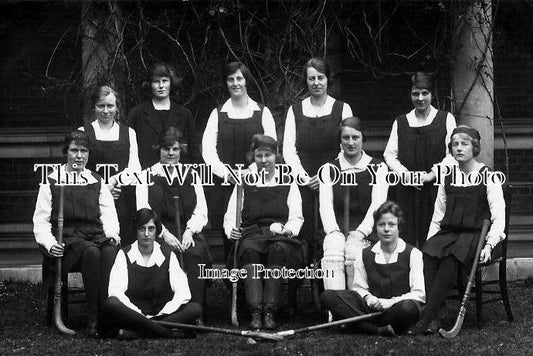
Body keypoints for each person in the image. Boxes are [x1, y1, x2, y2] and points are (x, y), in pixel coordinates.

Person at [408, 125, 506, 335]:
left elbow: (499, 218)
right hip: (450, 233)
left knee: (452, 258)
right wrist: (431, 243)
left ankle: (424, 319)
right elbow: (438, 216)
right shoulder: (448, 178)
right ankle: (434, 318)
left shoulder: (489, 176)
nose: (459, 148)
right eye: (455, 144)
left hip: (477, 236)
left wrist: (489, 245)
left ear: (475, 147)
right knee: (429, 254)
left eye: (464, 143)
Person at [33, 130, 120, 337]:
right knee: (92, 252)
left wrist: (112, 235)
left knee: (109, 251)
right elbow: (41, 220)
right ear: (66, 153)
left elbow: (108, 214)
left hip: (95, 235)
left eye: (83, 151)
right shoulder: (52, 181)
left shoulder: (96, 180)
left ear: (88, 154)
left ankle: (108, 315)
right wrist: (49, 243)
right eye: (74, 151)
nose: (79, 156)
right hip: (68, 240)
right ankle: (93, 318)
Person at [223, 134, 304, 330]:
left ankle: (270, 310)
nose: (264, 160)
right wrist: (230, 230)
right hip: (252, 233)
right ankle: (255, 311)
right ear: (253, 157)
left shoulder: (287, 180)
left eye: (268, 155)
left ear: (276, 155)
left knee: (277, 250)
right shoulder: (244, 181)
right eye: (259, 155)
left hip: (280, 236)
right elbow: (232, 212)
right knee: (249, 250)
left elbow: (297, 216)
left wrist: (288, 230)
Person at [202, 61, 277, 261]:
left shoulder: (262, 112)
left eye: (239, 78)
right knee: (230, 232)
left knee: (256, 230)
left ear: (246, 80)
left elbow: (271, 146)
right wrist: (228, 174)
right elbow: (208, 150)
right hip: (227, 184)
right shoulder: (218, 114)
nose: (235, 83)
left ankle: (254, 282)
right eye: (230, 79)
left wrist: (251, 171)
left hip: (257, 182)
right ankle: (232, 279)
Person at [283, 57, 353, 265]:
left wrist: (325, 176)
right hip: (303, 182)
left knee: (329, 231)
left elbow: (347, 147)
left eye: (320, 77)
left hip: (333, 181)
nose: (316, 83)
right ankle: (303, 281)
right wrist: (303, 177)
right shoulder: (295, 111)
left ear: (327, 79)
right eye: (311, 78)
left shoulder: (342, 109)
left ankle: (329, 285)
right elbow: (288, 149)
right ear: (306, 81)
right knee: (303, 232)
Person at [136, 127, 211, 319]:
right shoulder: (146, 176)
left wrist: (189, 232)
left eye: (175, 149)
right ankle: (168, 310)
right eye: (166, 149)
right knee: (168, 254)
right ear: (158, 150)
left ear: (181, 151)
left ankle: (195, 311)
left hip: (187, 233)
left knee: (194, 253)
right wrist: (164, 234)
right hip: (157, 235)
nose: (170, 153)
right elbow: (144, 212)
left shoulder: (192, 174)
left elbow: (201, 211)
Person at [321, 201, 425, 336]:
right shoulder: (364, 254)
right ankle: (376, 330)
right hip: (370, 309)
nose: (386, 229)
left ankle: (355, 324)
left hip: (396, 308)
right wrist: (369, 298)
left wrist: (391, 302)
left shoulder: (413, 253)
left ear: (399, 228)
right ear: (376, 227)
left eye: (391, 225)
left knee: (408, 308)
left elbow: (419, 294)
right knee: (328, 296)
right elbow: (358, 287)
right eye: (381, 224)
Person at [101, 208, 202, 339]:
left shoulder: (168, 255)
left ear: (157, 231)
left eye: (151, 229)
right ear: (135, 231)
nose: (147, 234)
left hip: (163, 314)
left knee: (195, 308)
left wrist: (161, 314)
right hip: (132, 315)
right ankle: (168, 333)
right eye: (142, 229)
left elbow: (183, 293)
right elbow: (116, 293)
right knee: (112, 303)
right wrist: (140, 316)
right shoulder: (124, 254)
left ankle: (139, 332)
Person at [384, 72, 456, 249]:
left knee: (432, 236)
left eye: (425, 93)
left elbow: (453, 154)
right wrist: (407, 176)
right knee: (405, 237)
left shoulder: (445, 119)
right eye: (415, 94)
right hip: (406, 191)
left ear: (431, 94)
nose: (420, 98)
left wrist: (432, 175)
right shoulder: (401, 122)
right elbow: (389, 154)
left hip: (435, 189)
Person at [319, 117, 388, 291]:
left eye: (355, 137)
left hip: (367, 228)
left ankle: (354, 310)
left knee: (354, 252)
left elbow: (377, 205)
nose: (350, 143)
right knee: (333, 250)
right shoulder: (329, 169)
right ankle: (334, 312)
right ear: (340, 140)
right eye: (345, 138)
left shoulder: (378, 168)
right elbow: (325, 205)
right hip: (337, 226)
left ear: (363, 138)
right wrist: (333, 231)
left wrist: (361, 232)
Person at [79, 85, 141, 246]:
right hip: (92, 202)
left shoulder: (129, 133)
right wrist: (103, 188)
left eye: (110, 106)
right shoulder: (83, 132)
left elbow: (135, 169)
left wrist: (113, 181)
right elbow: (78, 169)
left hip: (122, 201)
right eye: (101, 106)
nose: (106, 110)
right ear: (94, 107)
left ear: (117, 107)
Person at [129, 62, 201, 169]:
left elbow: (193, 150)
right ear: (150, 84)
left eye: (165, 81)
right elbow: (130, 150)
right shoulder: (137, 114)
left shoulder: (184, 114)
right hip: (146, 177)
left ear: (171, 83)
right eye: (156, 82)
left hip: (178, 177)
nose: (161, 86)